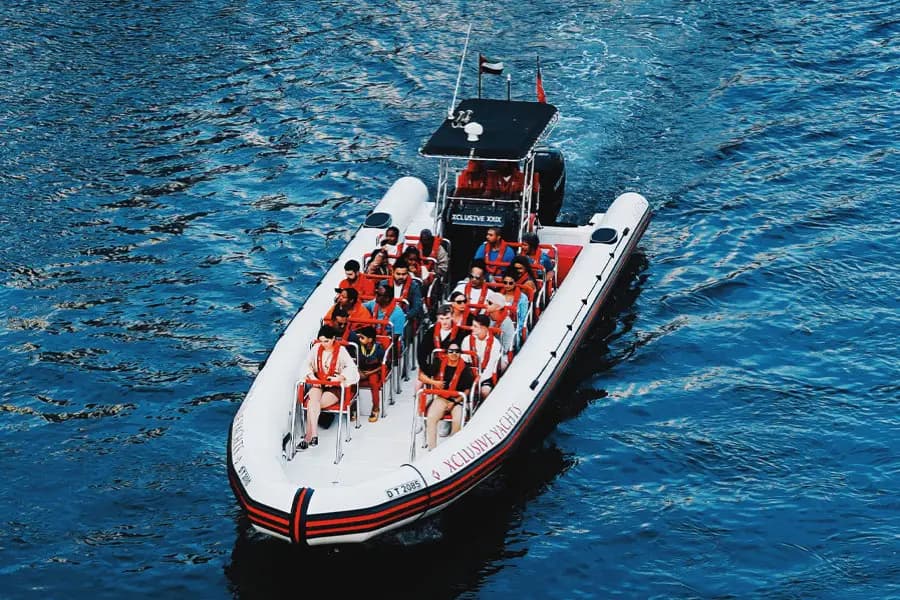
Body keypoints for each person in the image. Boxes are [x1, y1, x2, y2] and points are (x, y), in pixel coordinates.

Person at [300, 325, 360, 449]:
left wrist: (340, 377)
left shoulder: (341, 351)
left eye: (326, 341)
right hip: (319, 382)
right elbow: (306, 364)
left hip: (334, 386)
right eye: (321, 341)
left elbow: (352, 369)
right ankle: (314, 435)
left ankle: (308, 437)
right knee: (313, 401)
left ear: (333, 338)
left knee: (312, 405)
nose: (323, 344)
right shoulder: (316, 348)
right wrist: (312, 377)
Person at [419, 342, 475, 450]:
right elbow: (421, 376)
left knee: (458, 420)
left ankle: (452, 449)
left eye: (457, 351)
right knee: (431, 418)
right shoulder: (439, 363)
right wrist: (434, 383)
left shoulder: (465, 368)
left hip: (457, 400)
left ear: (460, 353)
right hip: (441, 398)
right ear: (447, 353)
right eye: (451, 351)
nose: (454, 354)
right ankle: (432, 450)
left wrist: (454, 402)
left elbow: (467, 390)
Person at [417, 304, 466, 387]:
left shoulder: (461, 332)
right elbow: (421, 352)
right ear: (438, 318)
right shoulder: (431, 331)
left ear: (452, 317)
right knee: (418, 384)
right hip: (435, 364)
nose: (444, 322)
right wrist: (426, 369)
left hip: (453, 365)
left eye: (447, 318)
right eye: (442, 319)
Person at [461, 314, 503, 403]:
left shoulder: (495, 344)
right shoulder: (466, 340)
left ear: (484, 328)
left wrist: (479, 380)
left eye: (475, 326)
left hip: (486, 375)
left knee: (485, 391)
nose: (472, 328)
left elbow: (491, 367)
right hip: (470, 373)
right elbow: (464, 360)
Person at [355, 325, 386, 422]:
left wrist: (369, 373)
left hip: (374, 371)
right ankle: (353, 407)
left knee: (373, 382)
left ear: (370, 339)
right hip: (361, 370)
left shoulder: (379, 348)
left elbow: (383, 365)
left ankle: (376, 407)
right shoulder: (357, 347)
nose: (359, 339)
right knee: (352, 380)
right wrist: (359, 372)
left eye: (362, 337)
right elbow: (354, 362)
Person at [390, 257, 424, 321]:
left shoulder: (414, 286)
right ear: (393, 272)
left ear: (407, 273)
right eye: (398, 274)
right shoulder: (384, 284)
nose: (401, 277)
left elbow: (416, 307)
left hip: (406, 317)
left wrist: (403, 317)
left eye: (404, 274)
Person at [499, 271, 532, 337]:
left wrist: (514, 331)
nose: (507, 285)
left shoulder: (523, 298)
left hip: (515, 327)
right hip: (499, 324)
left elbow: (522, 318)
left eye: (510, 283)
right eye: (505, 282)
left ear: (515, 283)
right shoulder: (498, 295)